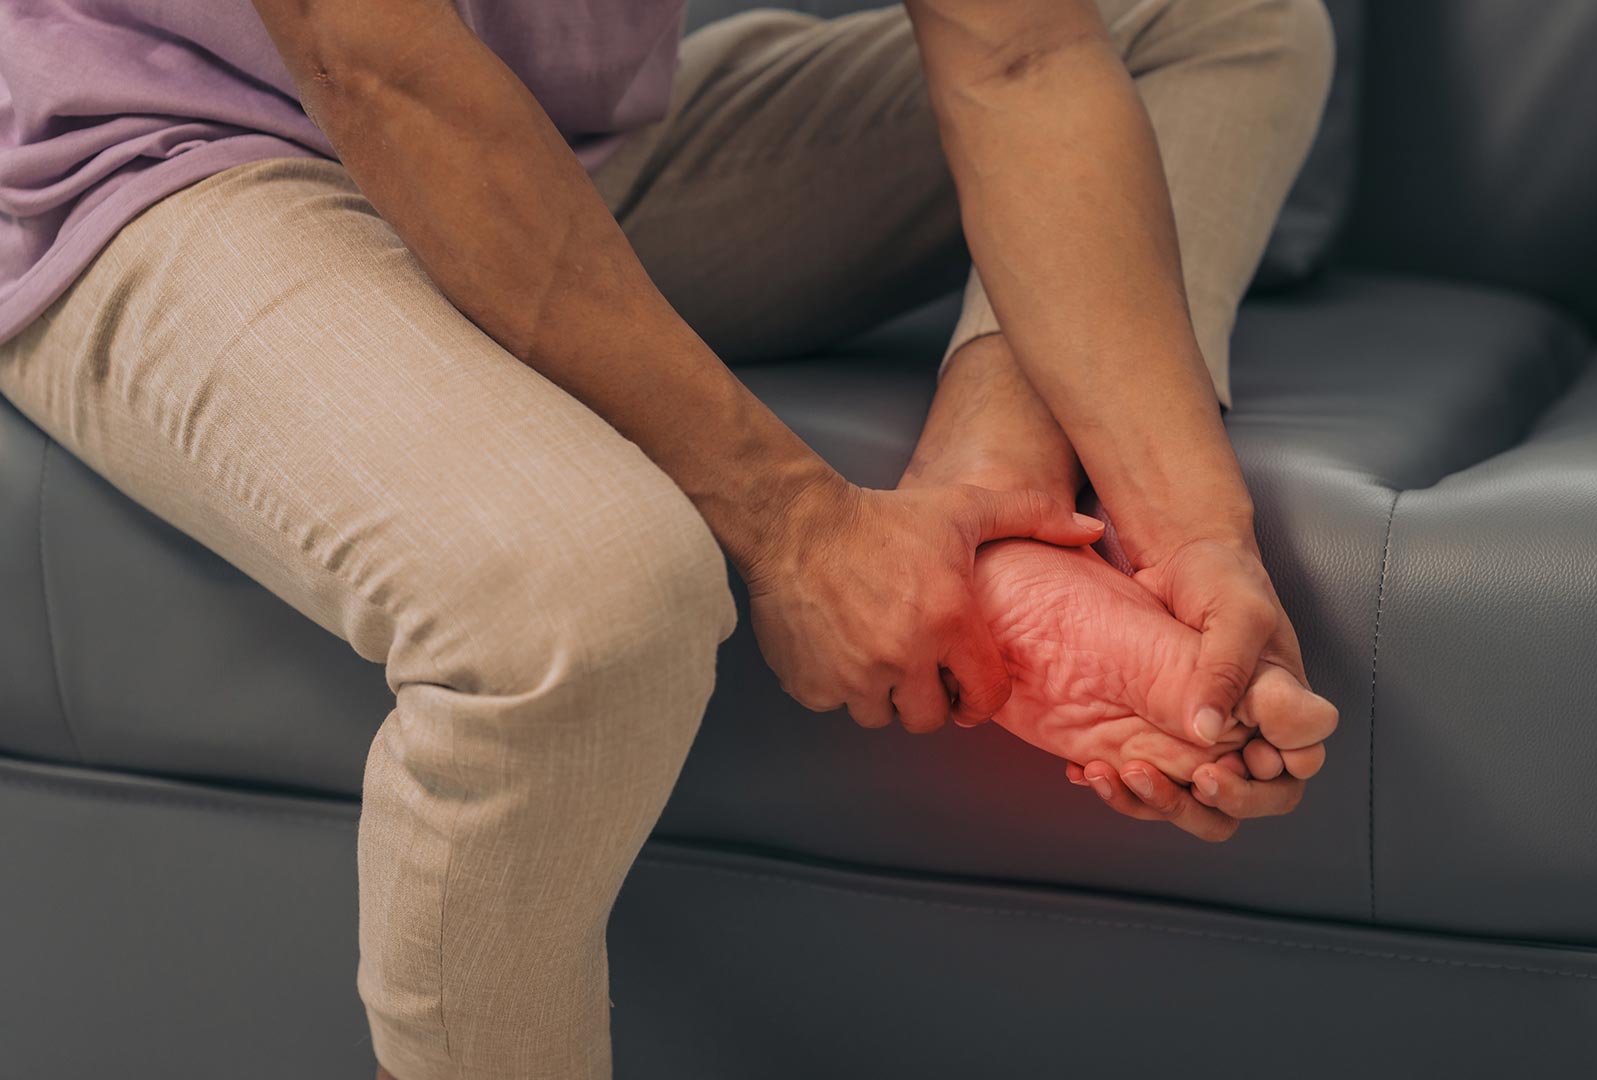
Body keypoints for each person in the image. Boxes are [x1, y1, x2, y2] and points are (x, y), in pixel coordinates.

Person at [0, 0, 1339, 1075]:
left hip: (565, 153)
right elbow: (379, 65)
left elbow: (1023, 49)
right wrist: (802, 530)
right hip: (165, 139)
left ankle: (991, 511)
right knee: (591, 602)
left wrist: (1193, 537)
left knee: (1223, 16)